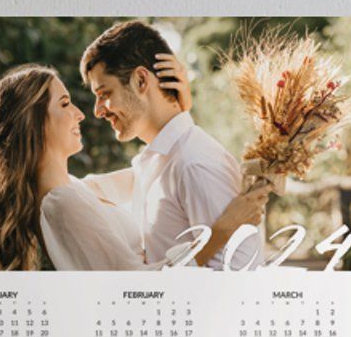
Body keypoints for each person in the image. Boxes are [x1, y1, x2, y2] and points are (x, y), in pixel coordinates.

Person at [0, 55, 266, 271]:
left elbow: (152, 170)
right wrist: (222, 231)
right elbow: (136, 289)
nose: (80, 114)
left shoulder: (73, 190)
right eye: (64, 104)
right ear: (34, 123)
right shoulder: (62, 204)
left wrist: (174, 111)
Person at [79, 19, 263, 271]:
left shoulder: (195, 164)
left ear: (141, 81)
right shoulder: (154, 162)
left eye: (104, 94)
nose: (97, 111)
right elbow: (76, 192)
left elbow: (237, 276)